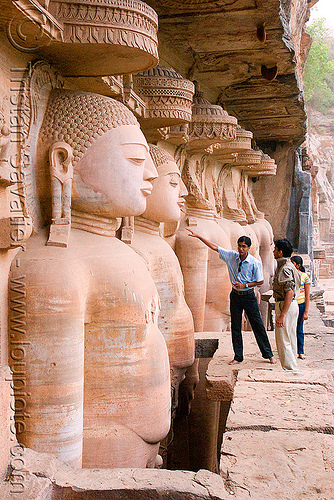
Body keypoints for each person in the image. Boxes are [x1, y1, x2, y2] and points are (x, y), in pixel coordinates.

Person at [187, 229, 276, 365]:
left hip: (248, 295)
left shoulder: (253, 263)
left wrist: (245, 285)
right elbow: (215, 247)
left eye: (244, 246)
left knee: (257, 325)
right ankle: (238, 356)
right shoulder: (231, 256)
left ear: (248, 248)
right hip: (235, 295)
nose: (241, 249)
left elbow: (260, 281)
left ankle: (268, 354)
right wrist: (199, 236)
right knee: (235, 326)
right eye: (239, 245)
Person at [273, 239, 301, 371]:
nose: (273, 252)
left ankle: (290, 368)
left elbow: (289, 291)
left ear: (280, 252)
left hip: (285, 305)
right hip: (291, 305)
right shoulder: (290, 266)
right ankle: (292, 366)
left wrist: (282, 314)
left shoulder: (285, 269)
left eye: (275, 249)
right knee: (290, 337)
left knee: (284, 339)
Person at [291, 255, 310, 359]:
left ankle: (300, 351)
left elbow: (307, 296)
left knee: (299, 329)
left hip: (300, 304)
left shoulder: (304, 277)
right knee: (290, 329)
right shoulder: (289, 275)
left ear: (298, 265)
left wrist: (306, 312)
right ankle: (292, 351)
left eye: (293, 263)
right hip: (291, 304)